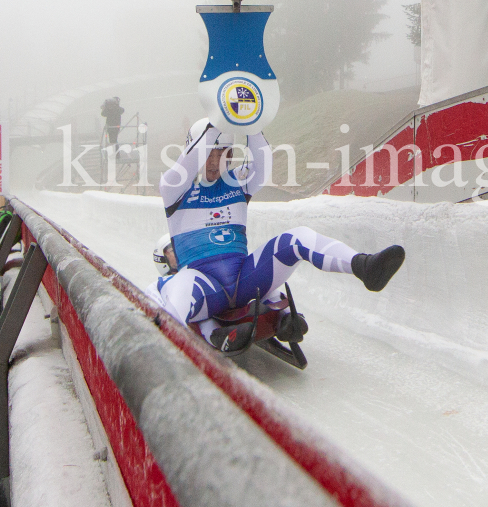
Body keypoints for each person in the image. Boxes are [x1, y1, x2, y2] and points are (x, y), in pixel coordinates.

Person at [157, 118, 405, 353]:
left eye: (221, 152)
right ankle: (167, 354)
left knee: (299, 236)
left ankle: (364, 266)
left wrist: (250, 122)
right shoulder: (174, 190)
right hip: (203, 289)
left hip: (245, 280)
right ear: (195, 152)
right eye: (208, 153)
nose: (214, 161)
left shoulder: (238, 182)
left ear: (231, 155)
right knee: (181, 284)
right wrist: (217, 119)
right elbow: (185, 165)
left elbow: (263, 163)